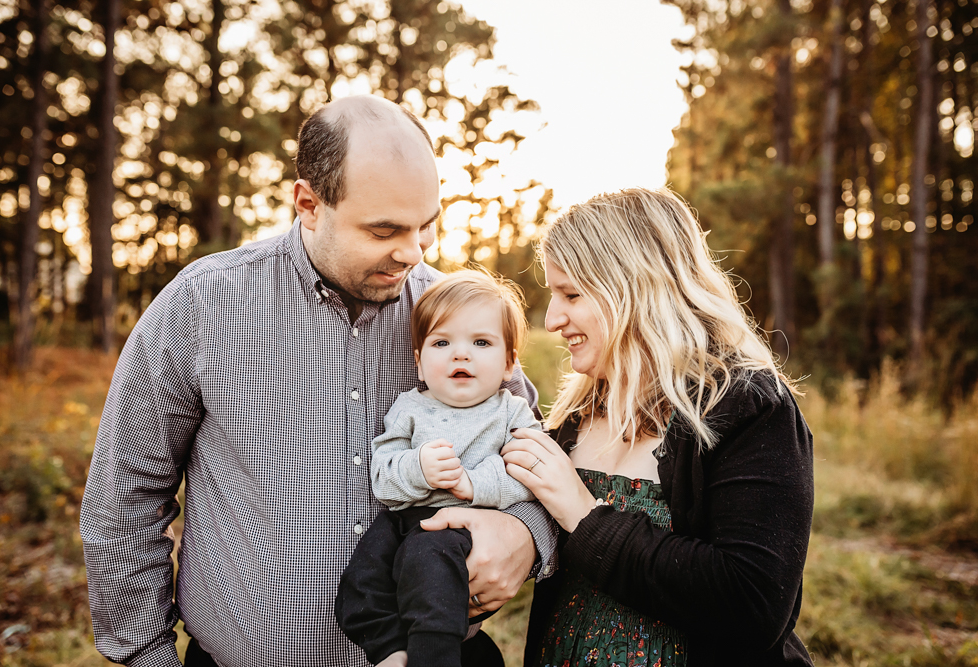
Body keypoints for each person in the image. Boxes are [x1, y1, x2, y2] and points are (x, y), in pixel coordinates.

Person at [79, 96, 556, 667]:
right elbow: (124, 495)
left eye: (425, 226)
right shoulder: (204, 304)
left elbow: (538, 454)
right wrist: (146, 657)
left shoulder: (452, 316)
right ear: (308, 203)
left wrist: (527, 536)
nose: (411, 252)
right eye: (384, 230)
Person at [501, 187, 815, 667]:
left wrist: (585, 516)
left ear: (634, 287)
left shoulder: (748, 406)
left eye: (570, 294)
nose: (553, 318)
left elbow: (752, 603)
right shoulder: (573, 416)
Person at [335, 270, 541, 667]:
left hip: (462, 527)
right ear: (419, 361)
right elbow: (384, 473)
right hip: (403, 518)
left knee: (431, 572)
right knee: (361, 581)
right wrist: (419, 469)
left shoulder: (509, 411)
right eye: (442, 342)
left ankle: (434, 656)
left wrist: (474, 483)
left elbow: (530, 471)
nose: (460, 354)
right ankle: (389, 651)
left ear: (509, 363)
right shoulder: (410, 407)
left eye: (481, 342)